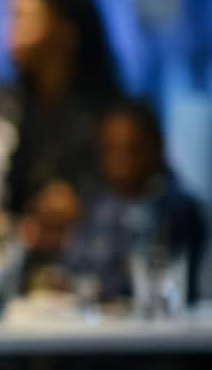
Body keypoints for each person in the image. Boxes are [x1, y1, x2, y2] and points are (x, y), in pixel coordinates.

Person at [0, 0, 121, 263]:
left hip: (97, 269)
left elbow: (135, 195)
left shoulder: (110, 112)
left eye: (22, 16)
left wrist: (82, 206)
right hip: (18, 270)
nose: (10, 30)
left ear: (66, 30)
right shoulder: (6, 105)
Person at [65, 98, 204, 303]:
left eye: (132, 149)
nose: (120, 162)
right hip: (95, 326)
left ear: (157, 148)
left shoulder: (179, 210)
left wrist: (96, 287)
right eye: (111, 150)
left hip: (159, 329)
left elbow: (150, 278)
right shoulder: (95, 204)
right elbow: (74, 266)